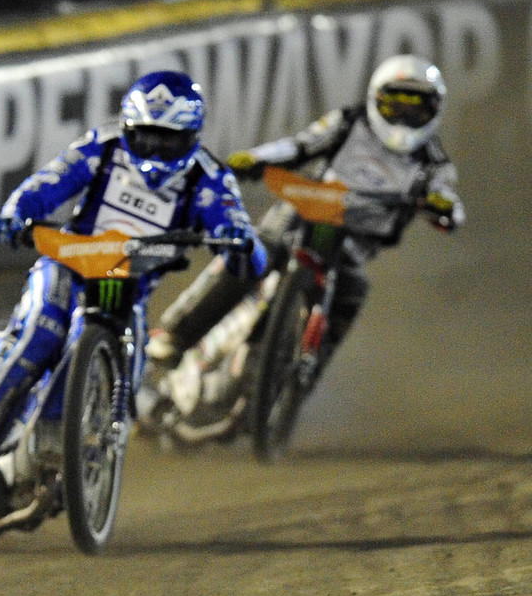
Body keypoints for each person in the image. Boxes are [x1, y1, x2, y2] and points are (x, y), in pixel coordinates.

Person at [0, 70, 267, 506]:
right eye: (145, 138)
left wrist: (240, 244)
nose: (156, 150)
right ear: (127, 129)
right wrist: (16, 214)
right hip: (68, 267)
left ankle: (80, 452)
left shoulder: (209, 179)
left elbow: (237, 227)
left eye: (168, 140)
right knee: (39, 333)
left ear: (192, 136)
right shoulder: (100, 148)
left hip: (131, 294)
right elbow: (47, 184)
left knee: (133, 375)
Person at [145, 54, 463, 374]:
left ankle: (303, 375)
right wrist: (253, 159)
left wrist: (442, 206)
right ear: (375, 100)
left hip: (351, 249)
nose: (405, 115)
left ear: (434, 110)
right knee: (254, 250)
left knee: (352, 293)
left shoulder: (434, 164)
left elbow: (449, 201)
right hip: (308, 214)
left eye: (416, 106)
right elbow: (299, 146)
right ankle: (176, 334)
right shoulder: (349, 121)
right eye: (397, 104)